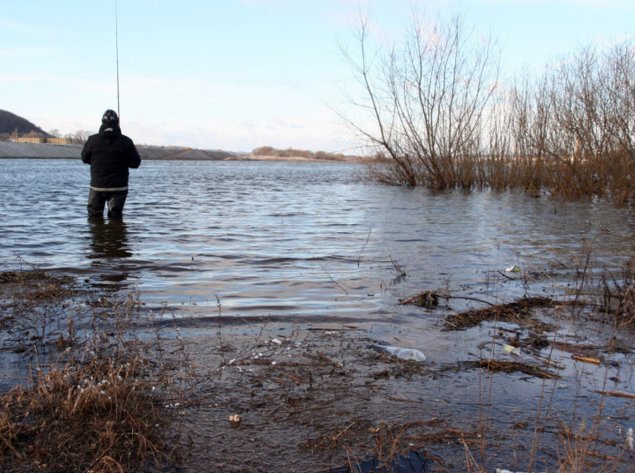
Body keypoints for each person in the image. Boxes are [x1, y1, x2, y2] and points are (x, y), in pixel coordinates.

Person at [81, 109, 141, 219]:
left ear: (102, 121)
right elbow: (136, 163)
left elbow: (84, 158)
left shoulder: (92, 140)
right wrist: (121, 161)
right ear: (117, 122)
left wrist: (96, 161)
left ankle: (96, 235)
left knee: (94, 217)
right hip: (119, 187)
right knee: (115, 217)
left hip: (97, 186)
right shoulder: (126, 141)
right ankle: (117, 235)